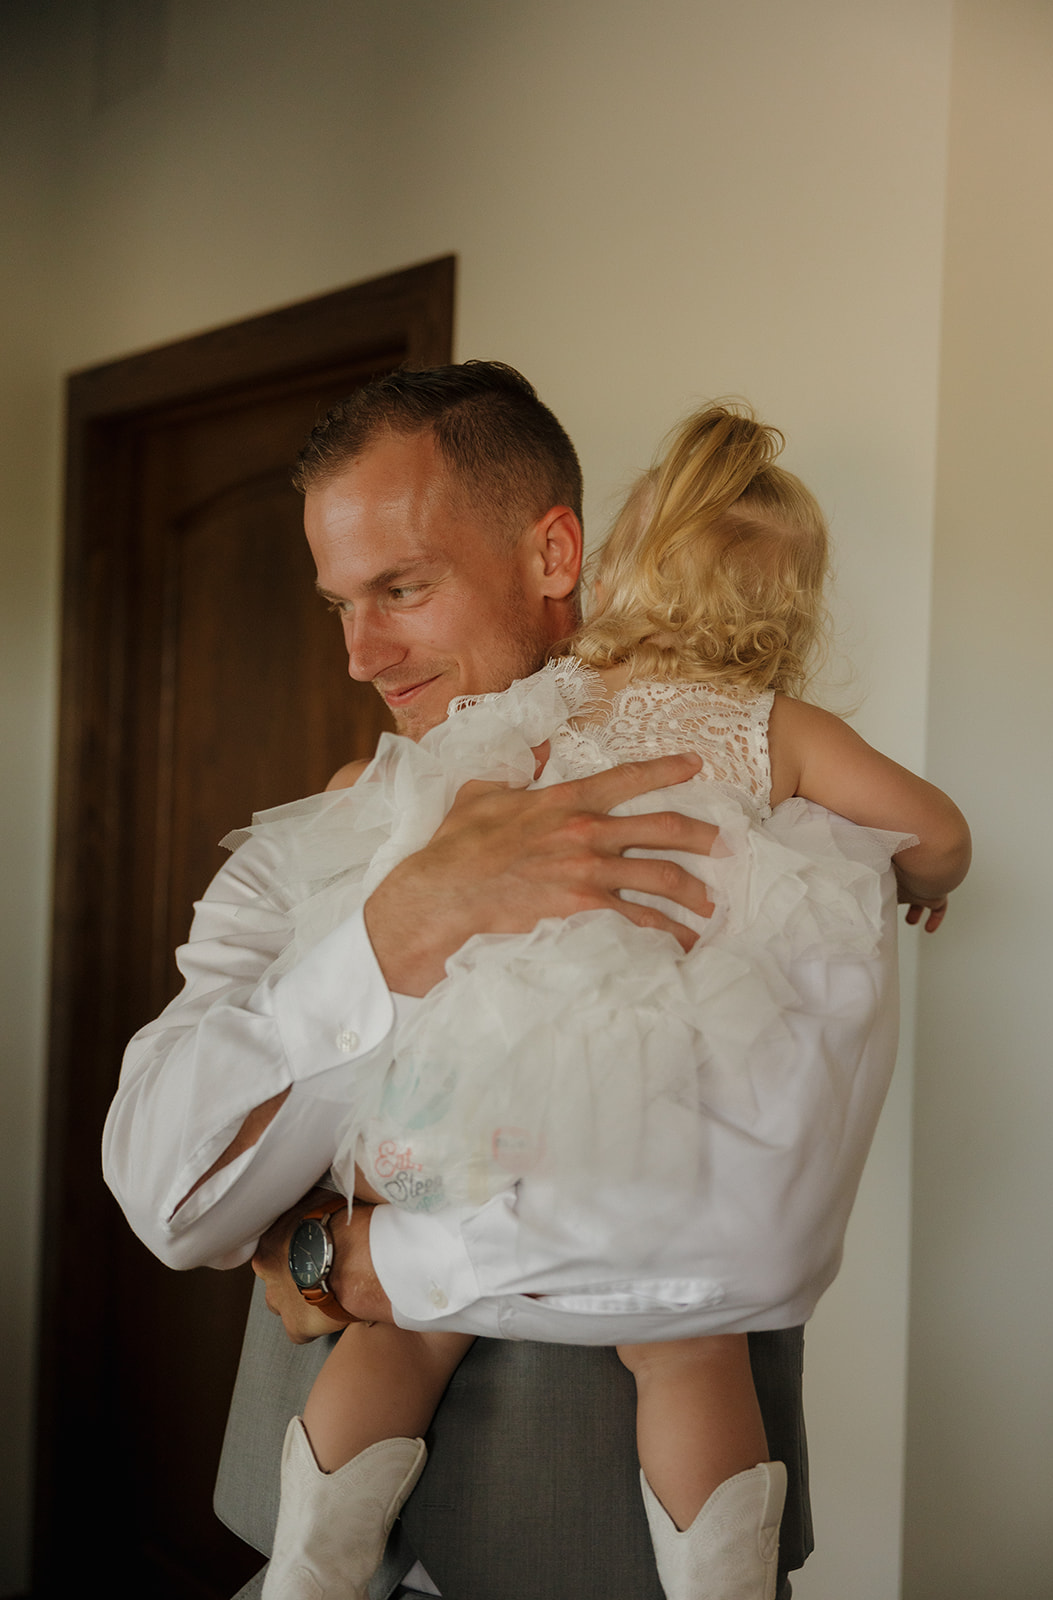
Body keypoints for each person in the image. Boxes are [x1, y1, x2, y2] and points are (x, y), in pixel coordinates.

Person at [101, 364, 898, 1600]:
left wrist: (354, 1260)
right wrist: (396, 927)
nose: (362, 654)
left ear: (551, 550)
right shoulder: (312, 839)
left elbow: (753, 1235)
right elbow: (166, 1190)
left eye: (401, 588)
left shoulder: (756, 829)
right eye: (338, 604)